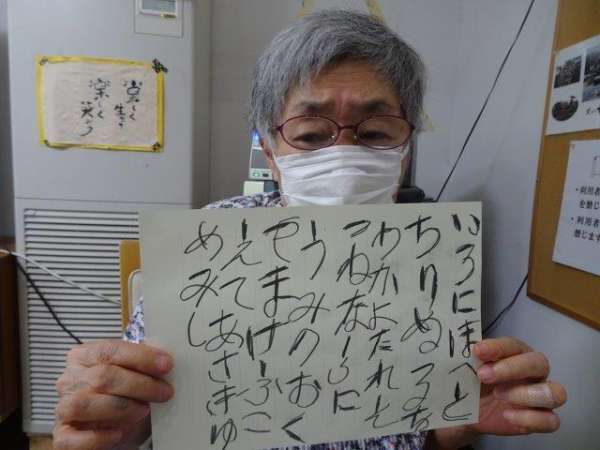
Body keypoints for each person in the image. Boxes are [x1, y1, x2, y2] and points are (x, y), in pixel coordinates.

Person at [53, 9, 566, 450]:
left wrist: (458, 423)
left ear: (405, 148)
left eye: (375, 132)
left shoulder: (433, 258)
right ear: (271, 155)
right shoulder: (209, 245)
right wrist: (117, 421)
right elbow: (143, 411)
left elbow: (413, 428)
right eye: (311, 134)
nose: (343, 158)